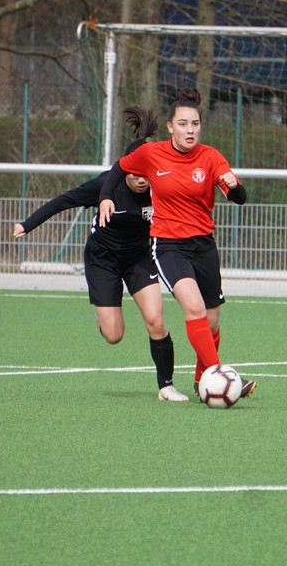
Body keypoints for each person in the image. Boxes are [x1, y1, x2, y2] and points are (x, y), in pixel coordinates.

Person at [14, 107, 189, 402]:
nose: (142, 180)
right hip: (103, 259)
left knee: (156, 320)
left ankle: (166, 386)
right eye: (135, 174)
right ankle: (103, 315)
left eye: (146, 174)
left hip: (138, 257)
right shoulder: (107, 185)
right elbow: (64, 200)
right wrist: (27, 224)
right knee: (114, 335)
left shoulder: (160, 187)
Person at [98, 88, 255, 398]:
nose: (190, 130)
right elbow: (119, 168)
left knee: (211, 321)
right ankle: (221, 377)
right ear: (170, 127)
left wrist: (235, 187)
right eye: (183, 124)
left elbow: (239, 197)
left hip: (204, 245)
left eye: (195, 124)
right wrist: (105, 197)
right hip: (169, 245)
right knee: (194, 308)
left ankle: (201, 380)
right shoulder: (151, 153)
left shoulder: (211, 157)